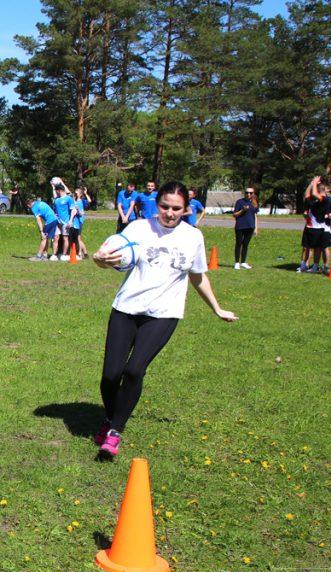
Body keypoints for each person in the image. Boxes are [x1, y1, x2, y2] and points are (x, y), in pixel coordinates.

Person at [92, 181, 237, 458]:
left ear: (186, 209)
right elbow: (109, 259)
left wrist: (216, 308)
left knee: (134, 370)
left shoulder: (193, 237)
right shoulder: (137, 228)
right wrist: (99, 259)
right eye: (164, 207)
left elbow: (197, 276)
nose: (170, 213)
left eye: (176, 208)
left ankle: (114, 432)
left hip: (164, 313)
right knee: (110, 376)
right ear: (156, 205)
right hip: (126, 308)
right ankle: (111, 419)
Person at [299, 176, 329, 273]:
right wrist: (311, 184)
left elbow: (313, 193)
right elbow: (306, 195)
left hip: (319, 228)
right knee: (306, 247)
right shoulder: (312, 200)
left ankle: (315, 266)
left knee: (317, 248)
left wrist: (315, 183)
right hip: (309, 227)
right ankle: (303, 265)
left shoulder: (324, 199)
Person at [232, 187, 259, 270]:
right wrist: (242, 210)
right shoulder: (240, 202)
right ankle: (237, 263)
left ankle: (243, 262)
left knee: (245, 245)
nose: (248, 194)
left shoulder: (254, 203)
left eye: (251, 193)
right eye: (247, 192)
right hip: (240, 226)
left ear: (253, 194)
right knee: (238, 244)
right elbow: (234, 215)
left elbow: (255, 215)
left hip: (250, 226)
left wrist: (256, 228)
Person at [29, 195, 59, 261]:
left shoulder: (34, 208)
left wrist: (41, 230)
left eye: (28, 206)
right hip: (55, 219)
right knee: (47, 238)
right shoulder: (39, 202)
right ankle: (45, 256)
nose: (29, 207)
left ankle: (39, 256)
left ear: (29, 204)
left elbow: (38, 220)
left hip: (50, 221)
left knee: (44, 238)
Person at [52, 179, 74, 260]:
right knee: (56, 237)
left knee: (65, 238)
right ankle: (54, 255)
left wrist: (70, 221)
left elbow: (73, 210)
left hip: (66, 222)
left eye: (56, 191)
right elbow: (55, 211)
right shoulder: (56, 200)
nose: (56, 192)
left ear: (60, 190)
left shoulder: (68, 199)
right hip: (57, 222)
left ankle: (64, 255)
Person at [71, 186, 90, 257]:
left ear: (80, 194)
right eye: (75, 193)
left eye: (77, 193)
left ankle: (79, 253)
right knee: (78, 238)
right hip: (76, 222)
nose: (75, 194)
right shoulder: (75, 201)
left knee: (78, 238)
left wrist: (85, 193)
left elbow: (82, 213)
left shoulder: (80, 202)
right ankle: (85, 253)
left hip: (79, 222)